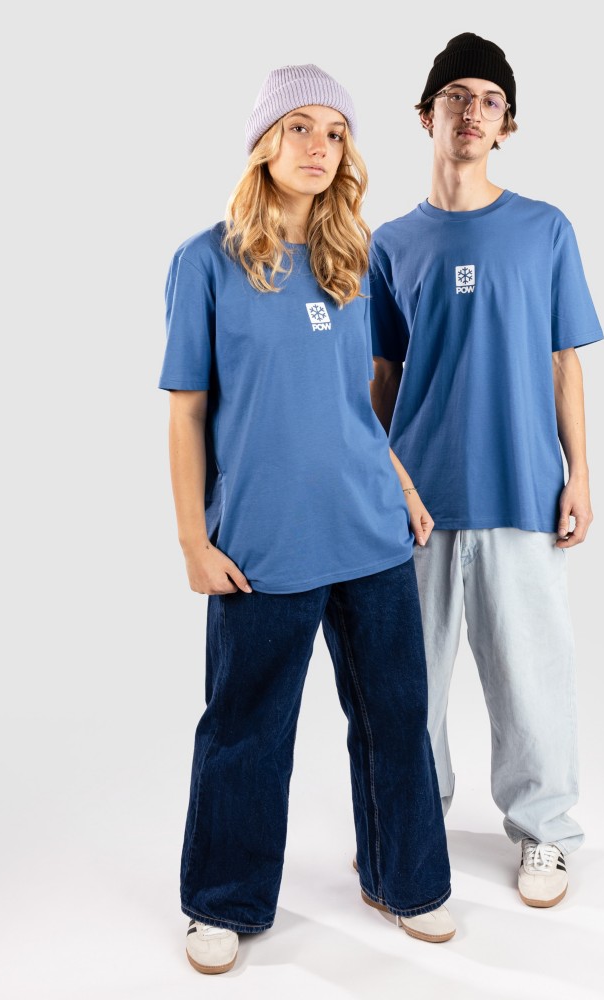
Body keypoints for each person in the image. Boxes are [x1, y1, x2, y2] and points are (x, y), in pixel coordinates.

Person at [159, 63, 455, 975]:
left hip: (369, 532)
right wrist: (193, 539)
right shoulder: (205, 262)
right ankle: (223, 902)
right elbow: (187, 412)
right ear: (263, 142)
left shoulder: (350, 262)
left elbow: (353, 409)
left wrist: (404, 487)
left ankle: (406, 879)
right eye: (300, 127)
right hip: (263, 545)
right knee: (246, 728)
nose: (319, 147)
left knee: (396, 717)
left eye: (335, 132)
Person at [369, 33, 604, 909]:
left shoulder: (545, 230)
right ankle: (410, 823)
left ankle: (545, 833)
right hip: (418, 503)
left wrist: (580, 474)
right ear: (426, 116)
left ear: (507, 125)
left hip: (521, 490)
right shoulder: (391, 244)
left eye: (490, 101)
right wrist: (381, 482)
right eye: (456, 97)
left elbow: (564, 361)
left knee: (533, 678)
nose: (472, 113)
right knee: (409, 685)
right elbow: (383, 376)